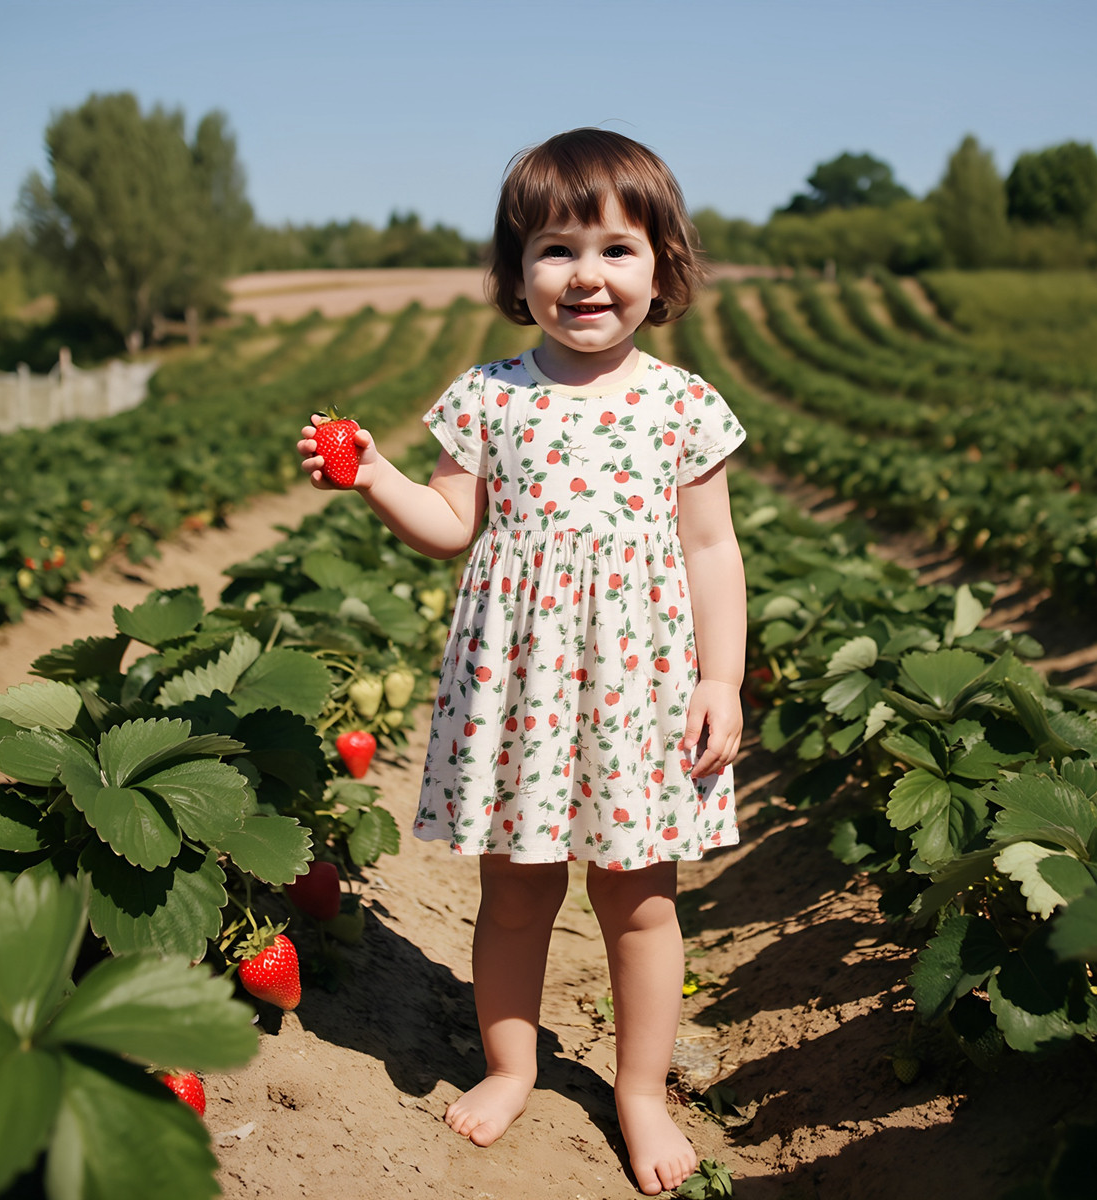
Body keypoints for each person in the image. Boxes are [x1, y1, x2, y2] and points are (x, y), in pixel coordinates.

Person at [298, 127, 747, 1196]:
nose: (585, 275)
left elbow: (712, 550)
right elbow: (451, 523)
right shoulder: (489, 398)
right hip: (521, 692)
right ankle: (512, 1065)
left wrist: (720, 677)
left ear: (664, 268)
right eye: (554, 249)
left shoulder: (682, 406)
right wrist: (374, 476)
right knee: (515, 891)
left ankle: (640, 1092)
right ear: (514, 274)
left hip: (640, 692)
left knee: (640, 898)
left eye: (615, 249)